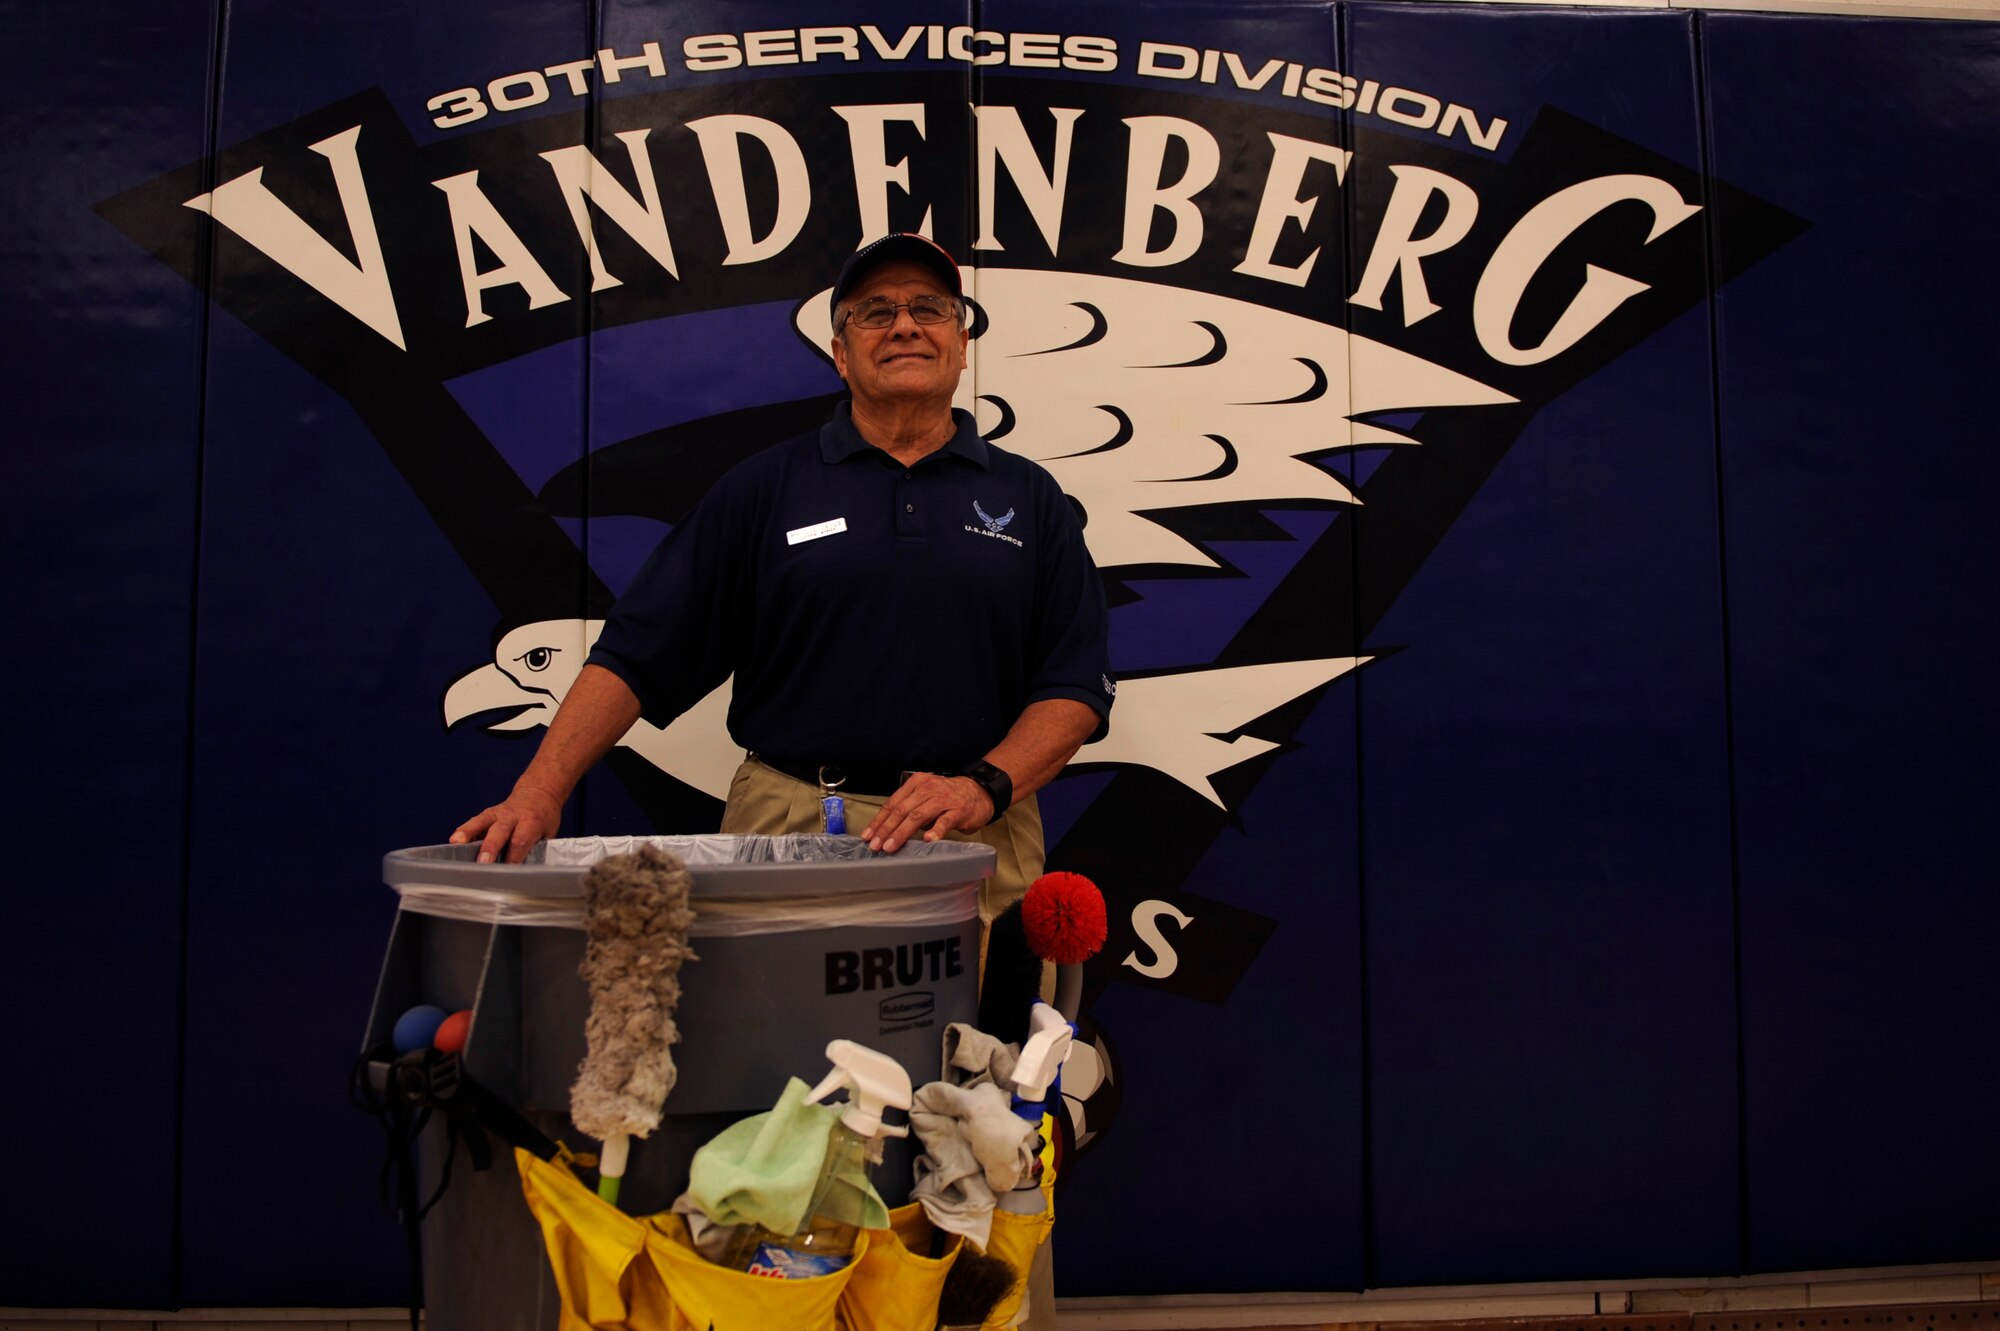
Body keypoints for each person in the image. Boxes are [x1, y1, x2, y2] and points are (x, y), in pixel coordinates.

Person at [450, 233, 1114, 925]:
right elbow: (637, 651)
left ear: (961, 340)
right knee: (780, 1031)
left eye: (929, 307)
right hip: (794, 824)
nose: (905, 325)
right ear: (840, 351)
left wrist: (981, 786)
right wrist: (538, 791)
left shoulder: (1032, 499)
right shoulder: (764, 490)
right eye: (875, 312)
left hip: (978, 836)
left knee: (980, 1034)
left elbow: (1075, 686)